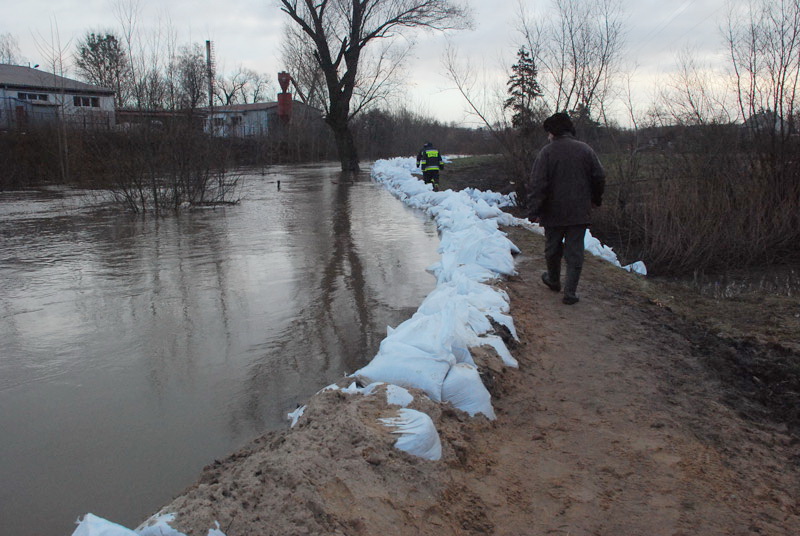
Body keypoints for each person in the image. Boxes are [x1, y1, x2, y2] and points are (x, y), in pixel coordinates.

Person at [526, 112, 605, 305]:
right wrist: (595, 199)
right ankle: (570, 292)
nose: (548, 137)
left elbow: (538, 184)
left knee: (552, 249)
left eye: (548, 133)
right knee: (575, 251)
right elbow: (599, 176)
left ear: (553, 132)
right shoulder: (586, 150)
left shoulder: (547, 152)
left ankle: (554, 280)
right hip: (579, 211)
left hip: (553, 213)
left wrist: (534, 210)